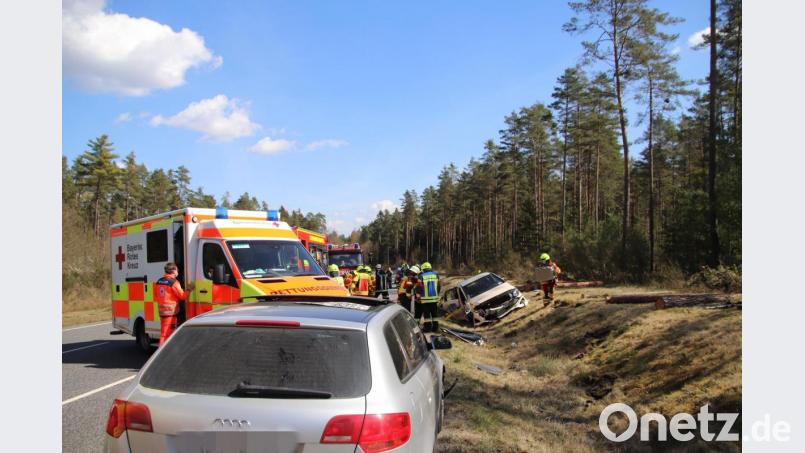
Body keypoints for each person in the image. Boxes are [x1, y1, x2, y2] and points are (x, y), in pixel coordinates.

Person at [155, 262, 194, 346]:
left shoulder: (159, 281)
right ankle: (161, 354)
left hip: (162, 312)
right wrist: (189, 289)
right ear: (173, 270)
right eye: (177, 270)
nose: (177, 272)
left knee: (164, 332)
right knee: (166, 334)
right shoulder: (174, 282)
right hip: (170, 313)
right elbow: (182, 296)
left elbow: (156, 296)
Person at [415, 262, 440, 332]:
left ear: (423, 269)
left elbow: (419, 287)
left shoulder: (421, 276)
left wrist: (418, 296)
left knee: (427, 315)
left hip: (425, 300)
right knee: (435, 315)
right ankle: (436, 328)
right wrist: (437, 294)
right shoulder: (436, 275)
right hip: (434, 299)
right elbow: (439, 286)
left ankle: (428, 328)